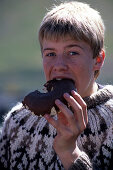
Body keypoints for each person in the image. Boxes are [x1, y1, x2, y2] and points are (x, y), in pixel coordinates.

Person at [0, 1, 113, 169]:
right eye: (50, 53)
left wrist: (71, 154)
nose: (59, 65)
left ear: (98, 60)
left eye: (73, 52)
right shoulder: (17, 122)